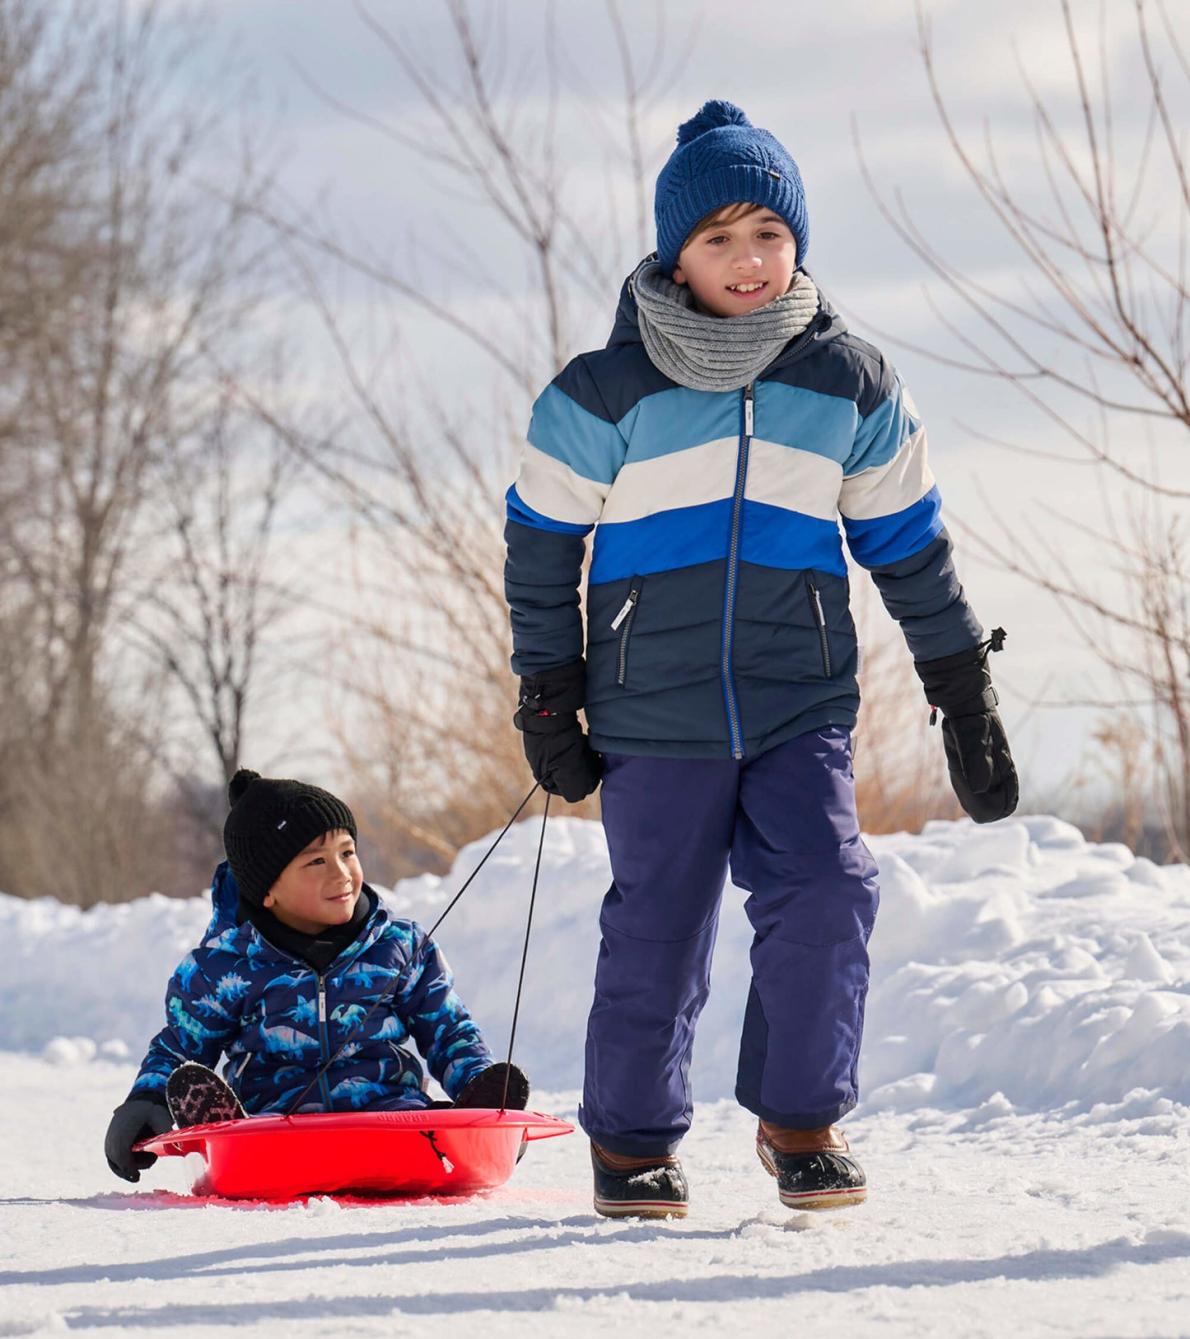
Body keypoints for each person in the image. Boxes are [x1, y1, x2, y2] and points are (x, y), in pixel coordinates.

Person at [504, 100, 1017, 1218]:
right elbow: (540, 544)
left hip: (798, 699)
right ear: (674, 254)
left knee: (829, 888)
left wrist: (960, 684)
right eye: (719, 237)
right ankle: (631, 1142)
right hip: (652, 707)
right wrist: (547, 689)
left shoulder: (848, 383)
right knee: (659, 921)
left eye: (769, 234)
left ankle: (801, 1122)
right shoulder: (604, 392)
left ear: (798, 241)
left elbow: (908, 545)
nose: (748, 259)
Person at [104, 769, 527, 1183]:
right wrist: (148, 1098)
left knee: (424, 1122)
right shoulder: (225, 966)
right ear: (267, 891)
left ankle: (469, 1131)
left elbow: (448, 1029)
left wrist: (480, 1088)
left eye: (347, 853)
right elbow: (181, 1045)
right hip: (272, 1129)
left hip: (389, 1120)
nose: (341, 873)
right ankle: (227, 1135)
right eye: (316, 861)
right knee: (248, 1128)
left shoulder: (398, 946)